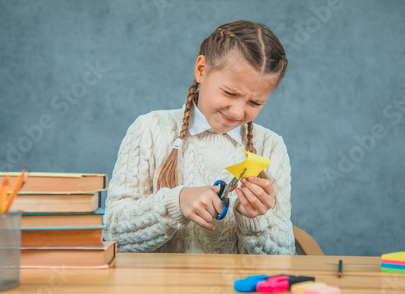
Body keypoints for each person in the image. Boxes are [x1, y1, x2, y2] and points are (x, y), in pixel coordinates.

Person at [103, 20, 295, 255]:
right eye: (230, 93)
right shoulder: (149, 130)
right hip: (158, 291)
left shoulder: (271, 146)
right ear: (201, 69)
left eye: (255, 102)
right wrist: (176, 203)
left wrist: (256, 219)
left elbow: (285, 256)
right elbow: (113, 236)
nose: (237, 112)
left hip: (237, 291)